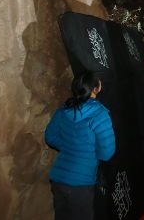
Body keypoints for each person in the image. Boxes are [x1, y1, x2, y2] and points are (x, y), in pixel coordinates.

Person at [45, 71, 116, 220]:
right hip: (80, 183)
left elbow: (50, 137)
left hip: (58, 179)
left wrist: (69, 147)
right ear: (97, 88)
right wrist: (86, 152)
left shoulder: (64, 109)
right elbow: (106, 153)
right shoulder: (99, 114)